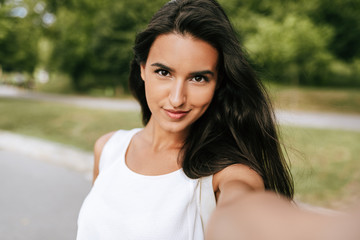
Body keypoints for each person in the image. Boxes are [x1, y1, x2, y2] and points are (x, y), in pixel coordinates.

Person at [76, 0, 360, 239]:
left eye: (198, 78)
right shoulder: (108, 148)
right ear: (142, 69)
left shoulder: (226, 175)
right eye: (164, 72)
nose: (177, 98)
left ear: (218, 83)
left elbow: (246, 214)